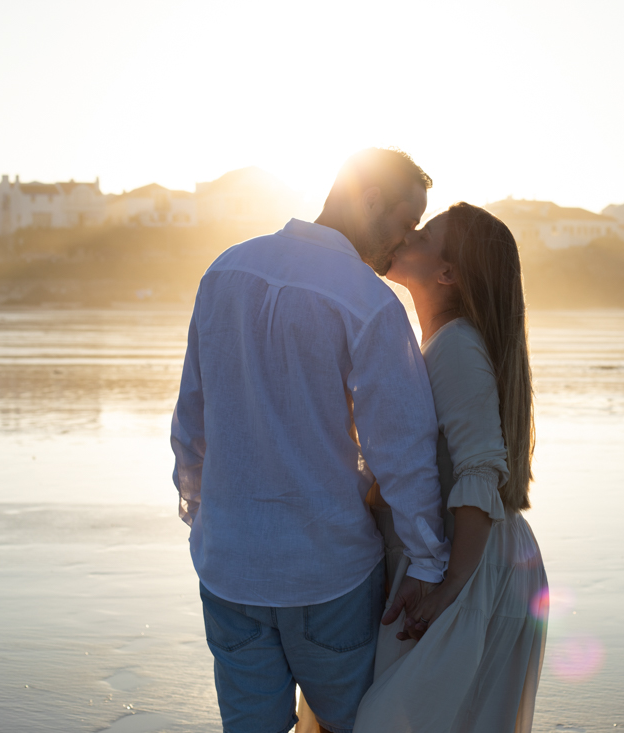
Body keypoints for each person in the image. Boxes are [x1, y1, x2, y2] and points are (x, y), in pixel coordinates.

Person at [170, 148, 451, 733]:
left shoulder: (226, 270)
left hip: (230, 567)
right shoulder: (369, 301)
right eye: (404, 223)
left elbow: (192, 415)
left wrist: (199, 508)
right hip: (330, 573)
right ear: (370, 198)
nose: (404, 243)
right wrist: (428, 560)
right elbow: (401, 446)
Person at [353, 203, 549, 732]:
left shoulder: (457, 345)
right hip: (458, 558)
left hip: (472, 565)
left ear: (446, 273)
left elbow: (482, 467)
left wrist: (451, 585)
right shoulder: (438, 343)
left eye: (426, 231)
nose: (408, 233)